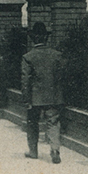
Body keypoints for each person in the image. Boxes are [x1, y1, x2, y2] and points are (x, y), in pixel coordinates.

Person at [21, 22, 65, 164]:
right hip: (53, 96)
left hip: (34, 98)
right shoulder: (57, 55)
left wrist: (26, 99)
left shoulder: (28, 57)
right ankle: (55, 150)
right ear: (46, 38)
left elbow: (25, 80)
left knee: (32, 123)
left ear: (33, 39)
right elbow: (61, 77)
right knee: (53, 122)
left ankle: (33, 151)